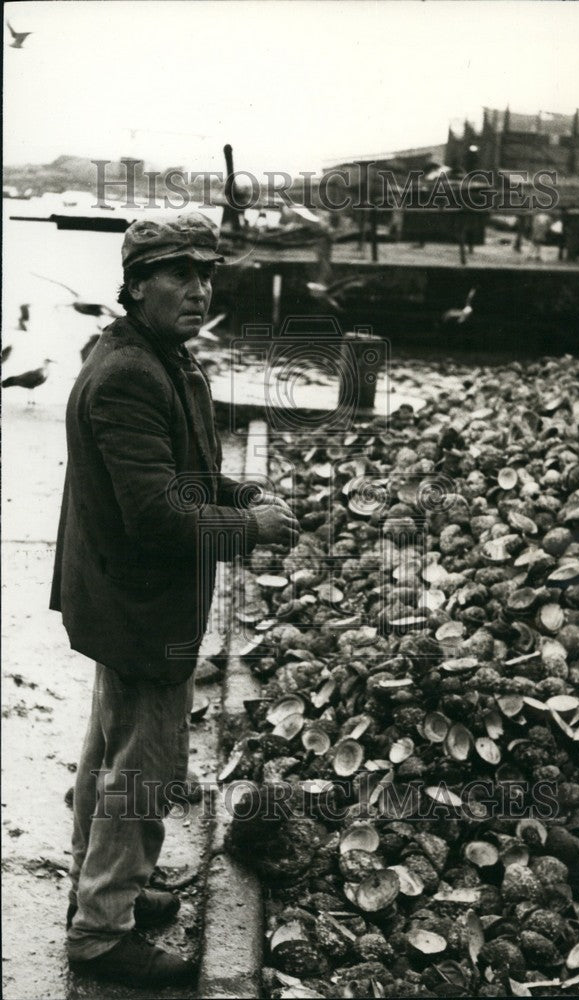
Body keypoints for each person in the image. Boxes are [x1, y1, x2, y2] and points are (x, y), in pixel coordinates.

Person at [50, 212, 299, 986]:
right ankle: (101, 932)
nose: (199, 290)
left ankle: (104, 888)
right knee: (147, 771)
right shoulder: (129, 372)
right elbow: (154, 516)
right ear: (134, 287)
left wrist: (236, 490)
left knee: (111, 751)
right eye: (178, 276)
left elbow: (179, 476)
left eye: (205, 276)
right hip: (138, 604)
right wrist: (250, 526)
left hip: (122, 598)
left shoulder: (162, 356)